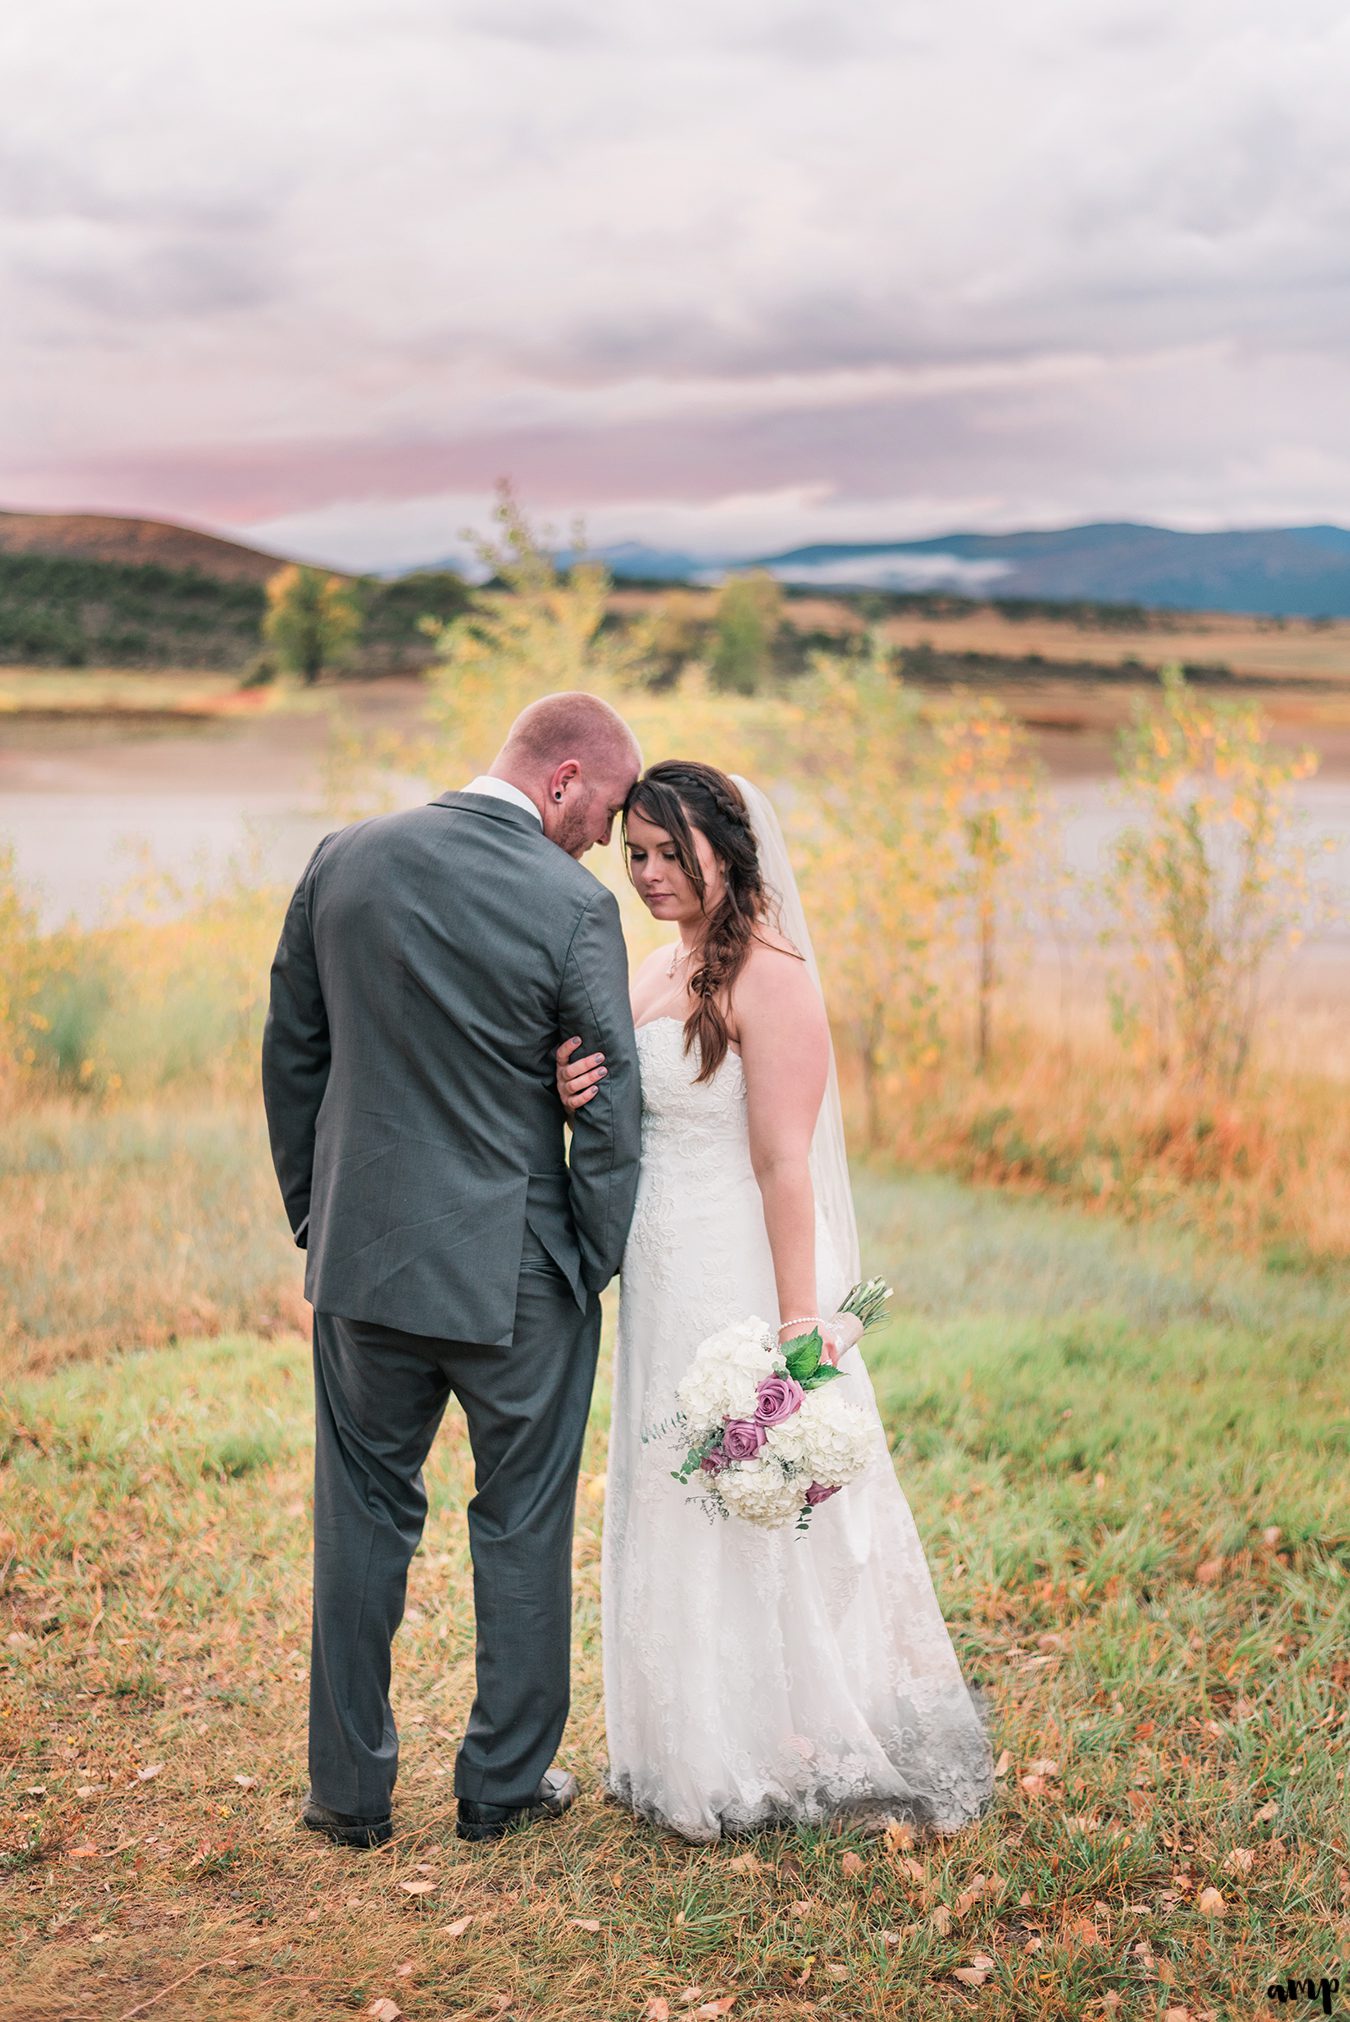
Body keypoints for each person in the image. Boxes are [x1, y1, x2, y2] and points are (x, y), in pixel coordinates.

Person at [557, 761, 994, 1843]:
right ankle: (684, 1736)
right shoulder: (658, 969)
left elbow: (785, 1167)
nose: (651, 875)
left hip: (741, 1273)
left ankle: (774, 1738)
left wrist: (799, 1337)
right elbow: (633, 1112)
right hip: (660, 1272)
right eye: (637, 856)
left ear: (730, 850)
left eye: (671, 854)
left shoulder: (774, 974)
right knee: (670, 1480)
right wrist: (571, 1091)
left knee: (751, 1483)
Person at [261, 692, 643, 1848]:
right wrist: (590, 1254)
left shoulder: (346, 860)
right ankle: (503, 1787)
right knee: (520, 1520)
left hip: (364, 1261)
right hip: (518, 1272)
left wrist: (315, 1218)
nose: (610, 844)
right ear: (563, 779)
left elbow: (294, 1053)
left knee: (360, 1519)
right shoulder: (572, 906)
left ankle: (348, 1796)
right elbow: (614, 1109)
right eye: (610, 812)